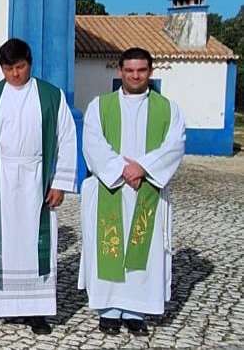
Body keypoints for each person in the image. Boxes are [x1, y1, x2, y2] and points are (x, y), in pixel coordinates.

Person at [0, 38, 77, 334]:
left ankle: (36, 311)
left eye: (20, 67)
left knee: (33, 246)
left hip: (36, 180)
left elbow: (67, 139)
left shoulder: (51, 96)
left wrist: (60, 182)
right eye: (9, 68)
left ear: (30, 63)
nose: (15, 74)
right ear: (2, 68)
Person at [78, 47, 186, 337]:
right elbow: (93, 143)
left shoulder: (168, 109)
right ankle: (109, 310)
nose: (135, 75)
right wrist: (122, 170)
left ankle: (136, 311)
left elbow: (175, 145)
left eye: (141, 70)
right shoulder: (100, 106)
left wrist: (144, 169)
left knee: (145, 251)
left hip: (148, 189)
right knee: (108, 248)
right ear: (120, 71)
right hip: (109, 189)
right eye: (129, 70)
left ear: (151, 71)